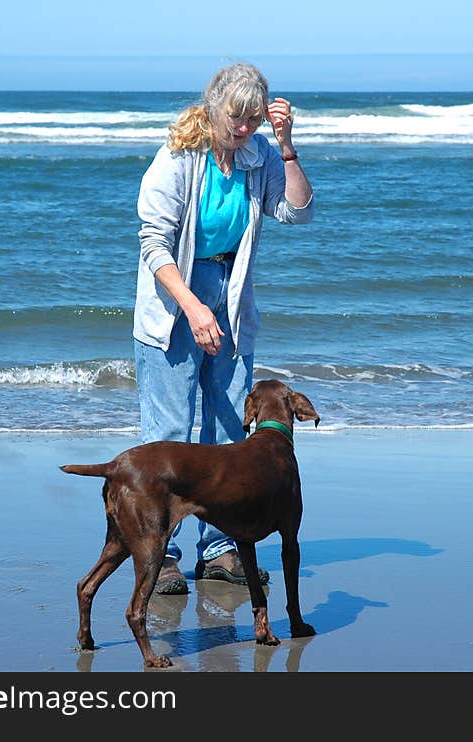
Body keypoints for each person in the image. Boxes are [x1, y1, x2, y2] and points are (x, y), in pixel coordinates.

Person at [132, 62, 314, 595]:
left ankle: (218, 549)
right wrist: (192, 307)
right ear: (213, 106)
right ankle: (161, 554)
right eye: (236, 117)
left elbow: (298, 212)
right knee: (168, 432)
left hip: (230, 297)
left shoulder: (259, 156)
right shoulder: (177, 157)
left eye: (254, 119)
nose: (243, 128)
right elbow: (154, 246)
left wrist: (285, 144)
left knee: (232, 429)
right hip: (176, 299)